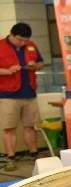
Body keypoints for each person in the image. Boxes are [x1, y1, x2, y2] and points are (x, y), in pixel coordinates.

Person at [0, 22, 45, 170]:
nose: (23, 43)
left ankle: (34, 154)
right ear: (11, 35)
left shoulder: (31, 45)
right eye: (19, 40)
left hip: (29, 92)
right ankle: (10, 158)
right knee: (9, 128)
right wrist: (7, 71)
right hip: (8, 94)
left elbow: (41, 63)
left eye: (25, 40)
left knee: (30, 126)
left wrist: (35, 65)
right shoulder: (1, 46)